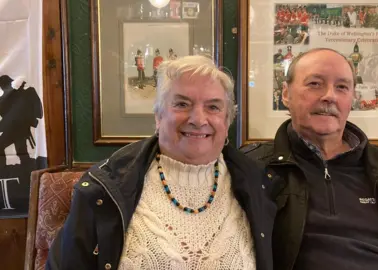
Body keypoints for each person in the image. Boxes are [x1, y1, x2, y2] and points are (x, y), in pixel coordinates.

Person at [241, 48, 378, 270]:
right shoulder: (253, 168)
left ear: (352, 99)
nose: (329, 96)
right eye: (314, 84)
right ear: (285, 94)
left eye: (341, 87)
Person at [46, 55, 275, 270]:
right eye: (182, 104)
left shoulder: (261, 185)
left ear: (227, 122)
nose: (198, 119)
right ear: (158, 117)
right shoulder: (103, 189)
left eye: (213, 107)